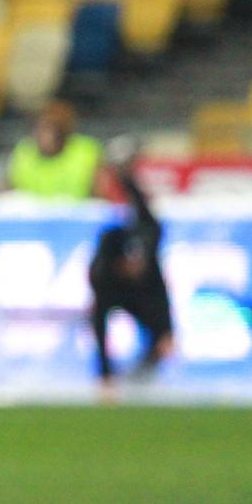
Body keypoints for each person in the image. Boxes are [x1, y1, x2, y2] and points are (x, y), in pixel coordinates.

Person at [89, 158, 174, 388]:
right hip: (114, 292)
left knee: (159, 337)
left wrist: (167, 331)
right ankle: (113, 378)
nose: (134, 266)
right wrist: (104, 372)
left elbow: (161, 296)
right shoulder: (104, 269)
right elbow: (99, 321)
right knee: (98, 319)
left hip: (139, 297)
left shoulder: (149, 253)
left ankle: (140, 380)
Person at [4, 100, 103, 199]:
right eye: (40, 128)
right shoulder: (24, 152)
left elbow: (102, 197)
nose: (46, 136)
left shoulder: (86, 152)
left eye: (53, 129)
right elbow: (5, 193)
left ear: (66, 131)